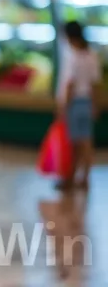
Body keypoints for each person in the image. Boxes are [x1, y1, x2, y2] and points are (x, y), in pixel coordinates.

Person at [57, 21, 101, 190]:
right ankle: (84, 177)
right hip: (87, 102)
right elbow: (95, 84)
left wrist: (63, 107)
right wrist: (95, 105)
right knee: (87, 142)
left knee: (74, 144)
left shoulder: (73, 57)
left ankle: (70, 178)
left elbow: (70, 84)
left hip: (74, 104)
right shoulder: (92, 56)